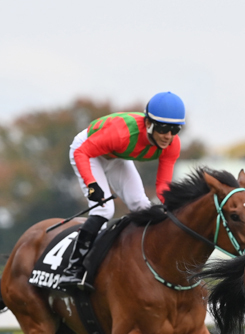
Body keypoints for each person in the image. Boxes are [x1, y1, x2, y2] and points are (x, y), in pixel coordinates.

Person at [58, 91, 185, 290]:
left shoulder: (172, 145)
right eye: (163, 129)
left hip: (116, 156)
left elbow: (163, 186)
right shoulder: (122, 134)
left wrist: (171, 205)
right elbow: (82, 152)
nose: (168, 136)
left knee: (142, 206)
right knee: (104, 210)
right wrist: (92, 186)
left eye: (175, 130)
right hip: (87, 151)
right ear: (149, 123)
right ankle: (72, 270)